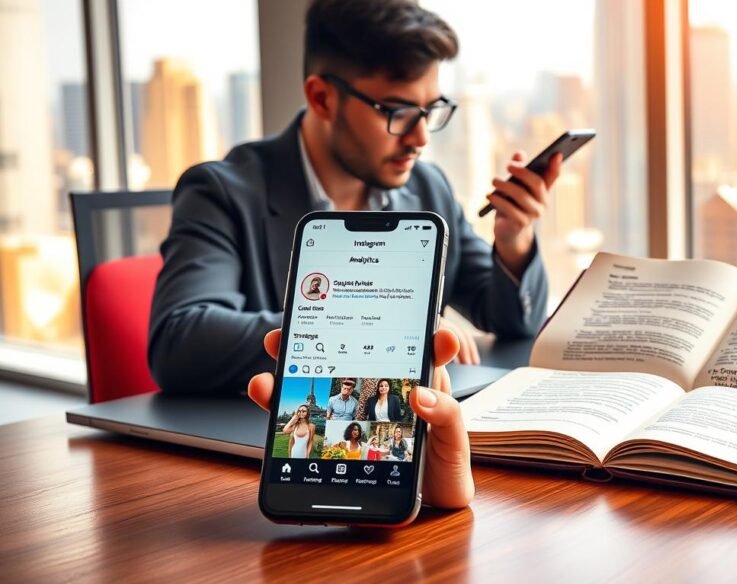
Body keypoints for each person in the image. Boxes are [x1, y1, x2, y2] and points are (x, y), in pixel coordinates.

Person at [148, 0, 560, 395]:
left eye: (430, 110)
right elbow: (180, 341)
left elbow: (511, 321)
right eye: (397, 112)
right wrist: (388, 330)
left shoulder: (427, 189)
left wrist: (513, 240)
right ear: (322, 98)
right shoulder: (221, 193)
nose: (419, 138)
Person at [249, 327, 473, 509]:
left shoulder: (377, 405)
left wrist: (422, 473)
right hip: (309, 479)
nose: (347, 386)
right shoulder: (350, 404)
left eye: (349, 384)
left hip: (398, 490)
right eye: (345, 383)